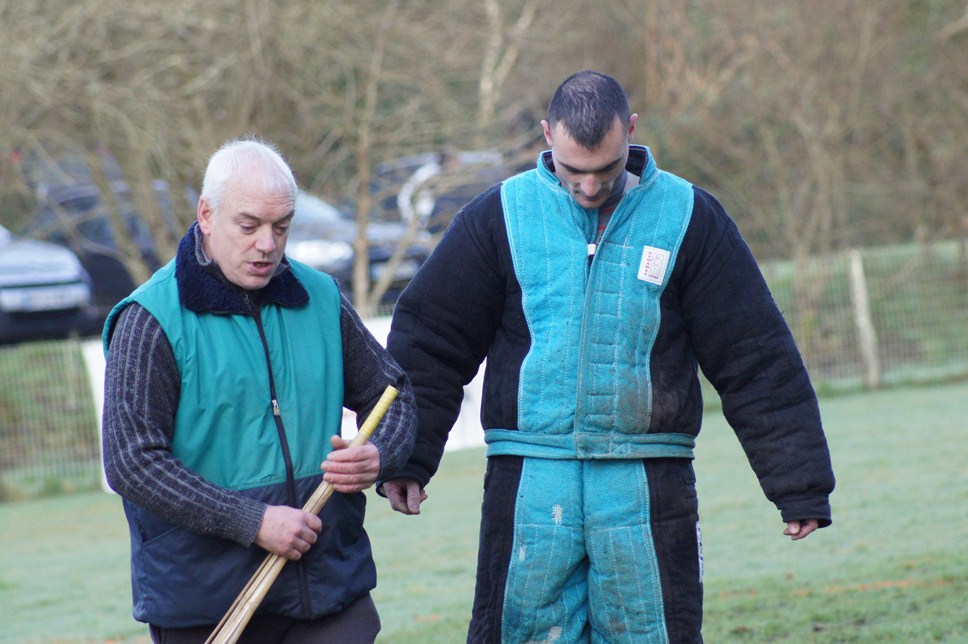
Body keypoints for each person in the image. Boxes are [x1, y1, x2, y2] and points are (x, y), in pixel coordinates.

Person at [381, 70, 835, 642]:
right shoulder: (497, 217)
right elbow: (430, 343)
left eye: (606, 169)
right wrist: (407, 456)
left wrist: (799, 484)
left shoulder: (691, 217)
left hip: (649, 486)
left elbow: (754, 357)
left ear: (632, 133)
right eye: (574, 170)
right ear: (546, 136)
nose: (590, 187)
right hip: (529, 485)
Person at [101, 138, 416, 643]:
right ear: (206, 214)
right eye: (248, 226)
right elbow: (131, 462)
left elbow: (394, 395)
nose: (267, 244)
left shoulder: (321, 297)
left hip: (331, 587)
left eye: (282, 227)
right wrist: (253, 520)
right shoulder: (150, 319)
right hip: (205, 602)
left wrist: (380, 455)